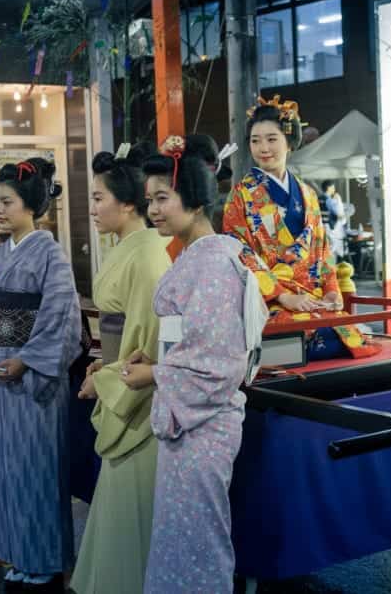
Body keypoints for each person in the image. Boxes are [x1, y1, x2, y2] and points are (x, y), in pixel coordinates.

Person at [124, 134, 264, 594]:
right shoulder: (200, 257)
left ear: (196, 199)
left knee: (198, 539)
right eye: (150, 200)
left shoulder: (213, 264)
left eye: (163, 197)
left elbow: (218, 364)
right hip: (190, 414)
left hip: (203, 421)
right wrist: (159, 359)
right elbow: (195, 345)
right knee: (180, 536)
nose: (154, 210)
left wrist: (158, 373)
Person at [0, 158, 82, 589]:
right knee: (4, 468)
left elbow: (59, 316)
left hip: (32, 380)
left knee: (36, 469)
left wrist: (29, 359)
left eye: (6, 202)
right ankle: (16, 552)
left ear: (30, 205)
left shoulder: (51, 253)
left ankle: (46, 560)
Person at [71, 142, 170, 594]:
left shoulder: (148, 254)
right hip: (115, 374)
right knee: (117, 512)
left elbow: (147, 345)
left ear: (129, 203)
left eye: (97, 198)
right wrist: (103, 368)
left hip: (138, 394)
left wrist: (109, 377)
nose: (92, 208)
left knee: (133, 513)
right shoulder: (130, 248)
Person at [223, 95, 380, 360]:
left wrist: (331, 289)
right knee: (301, 335)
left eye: (272, 139)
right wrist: (284, 296)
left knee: (343, 333)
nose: (263, 148)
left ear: (289, 142)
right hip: (270, 299)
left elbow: (322, 249)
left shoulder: (307, 194)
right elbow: (241, 253)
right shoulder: (242, 196)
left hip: (312, 296)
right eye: (255, 140)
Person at [320, 180, 347, 260]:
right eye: (333, 187)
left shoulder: (319, 198)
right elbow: (338, 213)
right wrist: (338, 201)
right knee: (332, 247)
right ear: (329, 188)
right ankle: (330, 267)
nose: (334, 189)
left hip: (320, 226)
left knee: (325, 246)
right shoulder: (329, 200)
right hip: (328, 227)